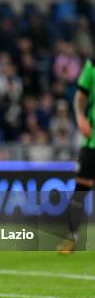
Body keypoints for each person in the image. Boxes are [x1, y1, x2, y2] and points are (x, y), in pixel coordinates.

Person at [58, 57, 94, 254]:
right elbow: (80, 95)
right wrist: (80, 117)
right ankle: (71, 237)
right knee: (80, 190)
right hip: (92, 142)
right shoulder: (93, 64)